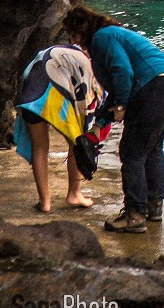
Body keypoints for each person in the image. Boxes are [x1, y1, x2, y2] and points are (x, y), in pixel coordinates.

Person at [63, 5, 164, 235]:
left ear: (80, 30)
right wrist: (100, 123)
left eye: (71, 35)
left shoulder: (101, 37)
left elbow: (123, 72)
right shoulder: (113, 35)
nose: (72, 41)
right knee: (151, 148)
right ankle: (153, 206)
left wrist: (121, 105)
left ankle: (134, 214)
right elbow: (119, 89)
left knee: (131, 154)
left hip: (154, 90)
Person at [14, 43, 106, 213]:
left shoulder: (51, 51)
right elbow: (92, 100)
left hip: (32, 97)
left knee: (40, 147)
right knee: (76, 143)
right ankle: (74, 194)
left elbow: (26, 76)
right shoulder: (90, 64)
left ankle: (45, 202)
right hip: (56, 98)